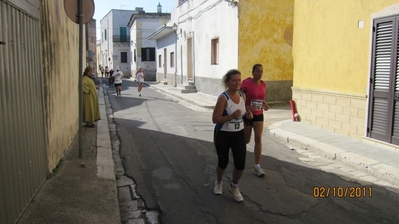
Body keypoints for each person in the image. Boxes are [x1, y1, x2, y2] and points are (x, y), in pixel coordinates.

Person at [212, 69, 253, 202]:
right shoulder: (223, 98)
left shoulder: (242, 95)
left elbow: (243, 112)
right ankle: (219, 181)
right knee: (223, 162)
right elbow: (215, 119)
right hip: (223, 134)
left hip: (238, 134)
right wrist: (230, 116)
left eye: (239, 80)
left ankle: (234, 185)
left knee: (240, 163)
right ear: (227, 82)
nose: (237, 83)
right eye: (234, 80)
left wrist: (248, 115)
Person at [240, 64, 269, 177]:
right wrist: (246, 108)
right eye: (257, 71)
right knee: (246, 140)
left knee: (258, 138)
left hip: (259, 114)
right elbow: (239, 96)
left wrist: (264, 104)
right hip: (248, 114)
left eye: (261, 71)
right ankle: (237, 153)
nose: (260, 73)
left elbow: (260, 98)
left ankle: (257, 166)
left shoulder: (263, 84)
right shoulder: (246, 83)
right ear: (252, 72)